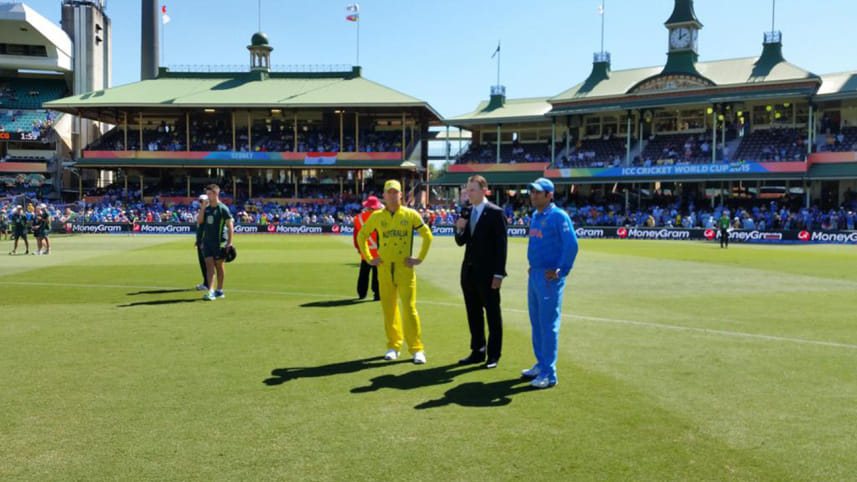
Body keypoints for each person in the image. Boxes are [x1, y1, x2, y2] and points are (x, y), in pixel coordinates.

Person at [356, 180, 433, 364]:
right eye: (388, 192)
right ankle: (394, 346)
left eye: (395, 192)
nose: (391, 196)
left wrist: (419, 258)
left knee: (409, 309)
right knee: (389, 310)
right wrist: (369, 258)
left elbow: (427, 236)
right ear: (384, 195)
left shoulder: (410, 214)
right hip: (384, 269)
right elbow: (362, 235)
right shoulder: (376, 216)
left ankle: (417, 349)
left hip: (404, 269)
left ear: (401, 195)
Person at [523, 177, 578, 389]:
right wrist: (534, 266)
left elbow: (571, 244)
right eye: (532, 192)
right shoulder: (536, 216)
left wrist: (562, 270)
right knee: (536, 323)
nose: (534, 195)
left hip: (549, 278)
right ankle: (541, 364)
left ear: (549, 195)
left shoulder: (558, 216)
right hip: (535, 274)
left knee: (548, 325)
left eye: (538, 192)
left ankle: (549, 374)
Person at [454, 175, 508, 369]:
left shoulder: (495, 213)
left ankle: (493, 355)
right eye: (467, 190)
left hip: (488, 275)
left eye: (473, 190)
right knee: (474, 315)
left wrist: (499, 274)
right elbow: (460, 242)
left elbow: (502, 247)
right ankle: (477, 351)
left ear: (484, 190)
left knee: (493, 315)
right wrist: (459, 229)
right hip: (469, 274)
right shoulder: (467, 212)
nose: (469, 193)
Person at [196, 185, 234, 301]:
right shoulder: (207, 208)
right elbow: (200, 221)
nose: (207, 196)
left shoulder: (223, 208)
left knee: (219, 266)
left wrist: (229, 243)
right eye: (207, 194)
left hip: (219, 242)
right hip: (207, 242)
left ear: (215, 194)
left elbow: (230, 226)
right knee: (209, 266)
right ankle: (211, 291)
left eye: (209, 194)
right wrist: (203, 208)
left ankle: (219, 290)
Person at [353, 195, 382, 301]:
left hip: (365, 250)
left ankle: (362, 293)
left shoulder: (358, 218)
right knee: (377, 274)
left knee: (363, 273)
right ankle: (377, 294)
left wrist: (358, 247)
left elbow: (356, 235)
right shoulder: (380, 217)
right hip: (378, 251)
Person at [194, 194, 210, 292]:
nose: (199, 203)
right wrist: (197, 240)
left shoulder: (207, 212)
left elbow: (207, 229)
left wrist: (203, 241)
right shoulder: (202, 212)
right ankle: (206, 283)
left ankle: (207, 284)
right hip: (201, 242)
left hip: (205, 243)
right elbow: (200, 228)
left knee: (206, 264)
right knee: (203, 264)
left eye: (201, 201)